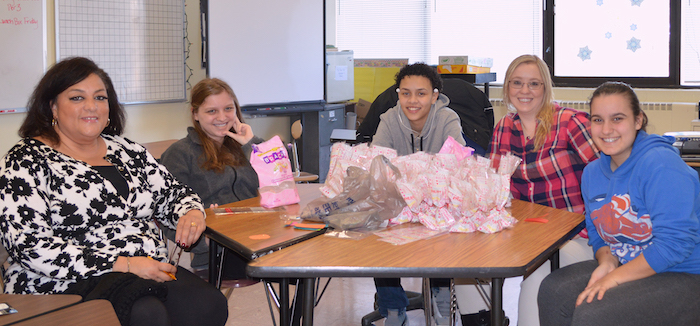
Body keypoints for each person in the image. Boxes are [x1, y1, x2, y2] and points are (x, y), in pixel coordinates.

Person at [0, 57, 228, 326]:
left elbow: (173, 192)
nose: (91, 106)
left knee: (208, 305)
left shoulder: (126, 149)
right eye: (76, 98)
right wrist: (125, 264)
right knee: (147, 313)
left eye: (100, 97)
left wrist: (190, 211)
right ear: (52, 106)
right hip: (62, 279)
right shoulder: (25, 160)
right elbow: (30, 246)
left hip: (147, 267)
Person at [538, 81, 700, 326]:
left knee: (594, 312)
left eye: (617, 119)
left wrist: (614, 279)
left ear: (638, 121)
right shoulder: (592, 173)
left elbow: (675, 245)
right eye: (598, 120)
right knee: (554, 290)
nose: (606, 129)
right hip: (630, 263)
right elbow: (597, 234)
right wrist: (608, 262)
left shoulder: (661, 165)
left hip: (684, 272)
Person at [459, 54, 599, 326]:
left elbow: (607, 175)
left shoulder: (570, 123)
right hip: (525, 234)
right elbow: (496, 187)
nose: (525, 91)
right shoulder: (503, 128)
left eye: (534, 84)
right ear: (507, 88)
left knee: (537, 271)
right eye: (517, 83)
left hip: (575, 236)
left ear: (545, 88)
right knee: (465, 263)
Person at [372, 62, 466, 326]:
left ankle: (441, 293)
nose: (412, 101)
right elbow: (378, 164)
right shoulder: (389, 119)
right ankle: (393, 307)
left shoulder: (448, 118)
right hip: (397, 201)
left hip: (438, 201)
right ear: (398, 94)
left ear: (434, 95)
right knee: (377, 234)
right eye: (405, 93)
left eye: (421, 93)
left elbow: (456, 164)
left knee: (445, 232)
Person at [160, 78, 264, 277]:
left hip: (261, 234)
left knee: (305, 259)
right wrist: (203, 243)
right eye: (211, 111)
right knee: (292, 264)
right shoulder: (180, 153)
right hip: (220, 251)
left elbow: (281, 178)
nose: (222, 117)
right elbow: (165, 213)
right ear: (195, 114)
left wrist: (251, 143)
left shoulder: (244, 146)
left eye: (228, 108)